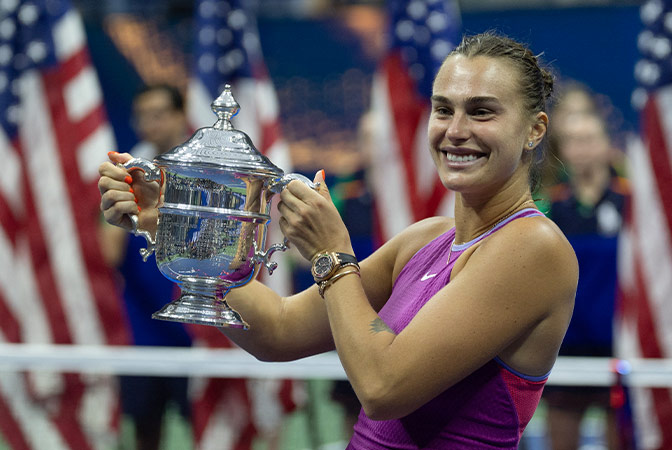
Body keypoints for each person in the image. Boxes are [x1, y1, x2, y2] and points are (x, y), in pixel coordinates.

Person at [99, 31, 579, 448]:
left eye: (481, 112)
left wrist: (331, 256)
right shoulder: (426, 240)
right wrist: (169, 227)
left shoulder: (533, 246)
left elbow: (383, 388)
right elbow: (280, 331)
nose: (455, 131)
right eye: (443, 110)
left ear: (535, 130)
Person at [98, 84, 193, 450]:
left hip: (196, 324)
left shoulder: (204, 174)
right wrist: (125, 200)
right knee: (145, 430)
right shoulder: (123, 175)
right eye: (142, 116)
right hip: (143, 324)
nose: (149, 124)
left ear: (181, 116)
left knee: (212, 424)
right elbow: (108, 252)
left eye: (159, 114)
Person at [542, 84, 628, 450]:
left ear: (607, 144)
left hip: (620, 344)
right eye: (574, 141)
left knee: (620, 437)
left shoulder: (633, 202)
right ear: (564, 150)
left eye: (590, 138)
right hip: (565, 346)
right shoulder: (547, 210)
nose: (582, 148)